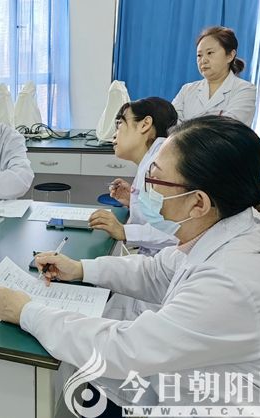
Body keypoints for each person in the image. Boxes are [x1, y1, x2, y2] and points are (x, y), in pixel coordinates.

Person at [0, 116, 260, 412]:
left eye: (155, 179)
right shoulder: (227, 229)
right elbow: (156, 271)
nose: (146, 191)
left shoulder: (231, 278)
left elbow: (126, 350)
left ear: (198, 202)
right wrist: (81, 269)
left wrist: (27, 312)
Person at [89, 97, 179, 321]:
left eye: (120, 123)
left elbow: (176, 231)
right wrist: (133, 200)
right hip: (154, 274)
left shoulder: (158, 166)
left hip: (162, 287)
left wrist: (124, 231)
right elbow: (161, 214)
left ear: (145, 124)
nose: (114, 134)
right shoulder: (151, 160)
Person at [172, 26, 256, 126]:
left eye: (210, 53)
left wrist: (185, 130)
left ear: (230, 55)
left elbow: (228, 128)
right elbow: (170, 124)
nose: (203, 60)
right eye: (199, 55)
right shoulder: (187, 90)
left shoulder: (244, 89)